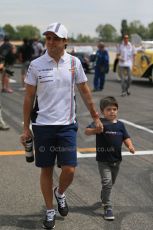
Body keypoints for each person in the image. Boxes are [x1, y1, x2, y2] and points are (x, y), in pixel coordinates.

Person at [20, 22, 103, 229]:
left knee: (70, 170)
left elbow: (85, 92)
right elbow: (29, 97)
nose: (50, 42)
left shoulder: (74, 63)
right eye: (48, 38)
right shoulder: (36, 65)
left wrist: (96, 116)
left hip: (66, 125)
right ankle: (49, 210)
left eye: (55, 38)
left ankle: (60, 193)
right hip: (42, 126)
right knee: (46, 169)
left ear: (65, 41)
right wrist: (25, 127)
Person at [85, 96, 135, 220]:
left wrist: (130, 146)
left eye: (114, 109)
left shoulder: (120, 125)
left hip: (116, 160)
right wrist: (95, 130)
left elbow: (125, 137)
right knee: (107, 183)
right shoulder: (100, 123)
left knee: (111, 183)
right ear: (103, 111)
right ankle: (108, 206)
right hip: (103, 160)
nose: (112, 111)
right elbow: (86, 131)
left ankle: (104, 195)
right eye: (109, 109)